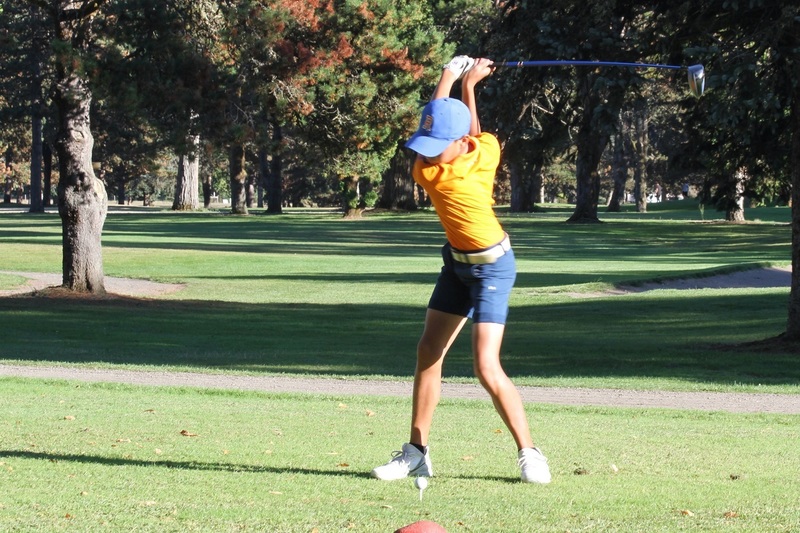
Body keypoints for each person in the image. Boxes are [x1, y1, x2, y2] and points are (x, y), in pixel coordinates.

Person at [371, 56, 551, 484]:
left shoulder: (434, 175)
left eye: (437, 145)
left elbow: (461, 125)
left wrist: (451, 75)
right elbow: (466, 127)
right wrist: (465, 82)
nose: (427, 155)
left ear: (459, 142)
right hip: (456, 266)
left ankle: (530, 453)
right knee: (427, 354)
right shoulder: (484, 151)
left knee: (486, 366)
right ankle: (416, 453)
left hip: (493, 269)